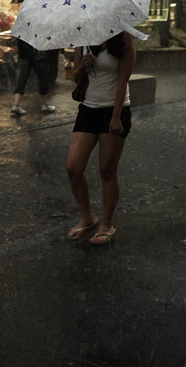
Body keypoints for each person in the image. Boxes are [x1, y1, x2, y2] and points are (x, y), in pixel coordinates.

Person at [65, 32, 135, 246]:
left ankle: (106, 223)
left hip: (114, 111)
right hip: (88, 110)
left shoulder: (124, 40)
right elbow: (75, 77)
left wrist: (115, 117)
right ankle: (87, 217)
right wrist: (83, 66)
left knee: (107, 170)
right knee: (73, 168)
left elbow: (123, 80)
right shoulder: (83, 39)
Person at [10, 38, 56, 115]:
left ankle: (15, 104)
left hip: (25, 54)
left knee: (22, 78)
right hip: (37, 54)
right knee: (43, 78)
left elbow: (20, 40)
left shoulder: (23, 27)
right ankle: (44, 104)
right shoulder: (38, 26)